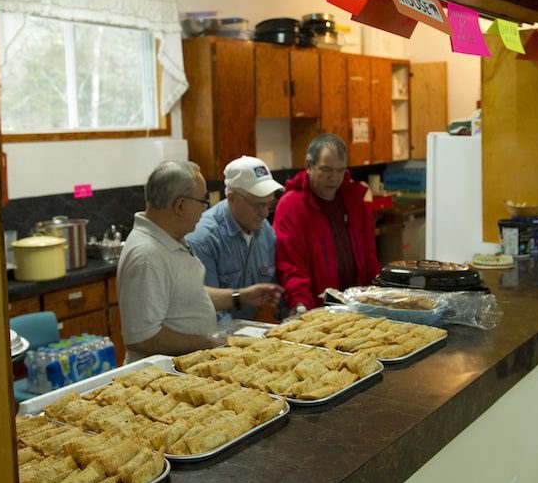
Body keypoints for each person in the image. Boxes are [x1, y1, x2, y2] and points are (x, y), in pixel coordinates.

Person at [117, 160, 282, 362]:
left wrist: (240, 296)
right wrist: (212, 343)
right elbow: (142, 338)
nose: (204, 209)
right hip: (162, 372)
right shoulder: (147, 255)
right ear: (180, 205)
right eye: (202, 201)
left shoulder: (171, 238)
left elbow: (186, 296)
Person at [273, 133, 380, 312]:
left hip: (358, 307)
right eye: (326, 170)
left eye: (340, 170)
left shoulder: (355, 202)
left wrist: (377, 294)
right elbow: (291, 266)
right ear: (309, 166)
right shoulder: (291, 206)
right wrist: (300, 305)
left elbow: (369, 257)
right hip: (315, 309)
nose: (334, 178)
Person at [187, 155, 285, 322]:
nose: (264, 213)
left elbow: (276, 289)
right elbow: (207, 310)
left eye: (269, 204)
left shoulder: (265, 231)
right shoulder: (204, 239)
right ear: (232, 198)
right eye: (258, 205)